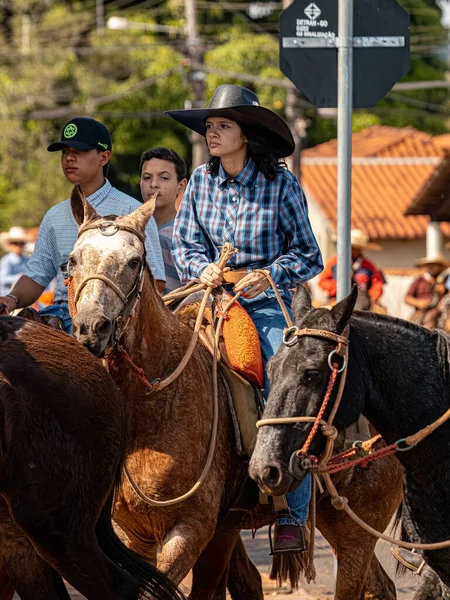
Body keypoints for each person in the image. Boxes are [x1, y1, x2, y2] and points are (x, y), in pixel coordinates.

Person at [166, 84, 323, 553]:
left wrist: (267, 273)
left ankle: (291, 514)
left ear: (247, 135)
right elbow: (186, 246)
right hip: (209, 297)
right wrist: (202, 268)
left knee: (287, 384)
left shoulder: (281, 184)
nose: (212, 134)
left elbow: (309, 254)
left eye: (223, 126)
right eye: (210, 126)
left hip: (267, 301)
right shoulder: (199, 181)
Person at [0, 118, 165, 332]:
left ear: (104, 157)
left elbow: (156, 283)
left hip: (111, 322)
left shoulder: (132, 212)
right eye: (65, 152)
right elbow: (36, 275)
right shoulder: (54, 216)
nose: (69, 158)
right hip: (58, 316)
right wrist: (11, 299)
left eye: (79, 151)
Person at [139, 147, 187, 294]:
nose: (154, 184)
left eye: (164, 178)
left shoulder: (187, 234)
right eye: (147, 177)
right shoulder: (130, 229)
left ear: (181, 186)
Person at [318, 229, 385, 310]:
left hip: (363, 303)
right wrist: (338, 286)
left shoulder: (368, 266)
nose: (354, 251)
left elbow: (377, 283)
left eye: (357, 248)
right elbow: (323, 281)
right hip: (337, 299)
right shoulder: (334, 262)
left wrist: (373, 298)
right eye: (352, 248)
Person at [404, 254, 449, 329]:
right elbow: (407, 298)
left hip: (441, 314)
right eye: (429, 264)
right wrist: (418, 303)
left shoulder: (445, 279)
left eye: (434, 265)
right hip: (422, 313)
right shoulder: (420, 280)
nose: (431, 267)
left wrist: (444, 290)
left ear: (440, 266)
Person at [0, 227, 30, 297]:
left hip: (23, 297)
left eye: (21, 243)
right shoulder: (6, 261)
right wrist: (18, 277)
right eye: (15, 243)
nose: (18, 246)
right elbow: (2, 279)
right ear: (10, 245)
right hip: (6, 298)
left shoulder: (27, 260)